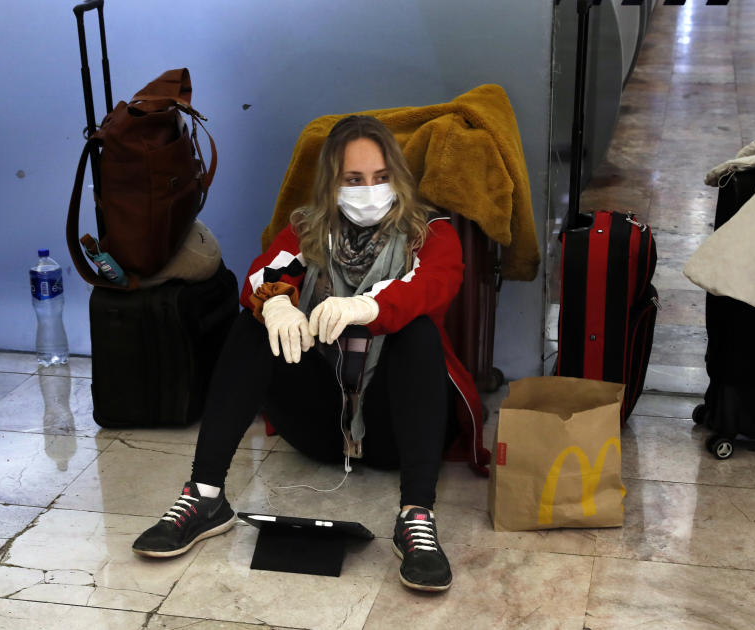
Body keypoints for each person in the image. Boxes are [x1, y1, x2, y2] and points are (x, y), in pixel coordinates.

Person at [131, 115, 488, 592]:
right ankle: (205, 496)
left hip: (396, 432)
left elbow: (432, 285)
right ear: (331, 184)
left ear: (398, 177)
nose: (369, 190)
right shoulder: (307, 230)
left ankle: (416, 519)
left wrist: (368, 305)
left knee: (418, 331)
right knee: (255, 321)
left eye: (381, 178)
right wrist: (276, 302)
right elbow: (262, 274)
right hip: (320, 424)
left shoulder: (430, 233)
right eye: (354, 180)